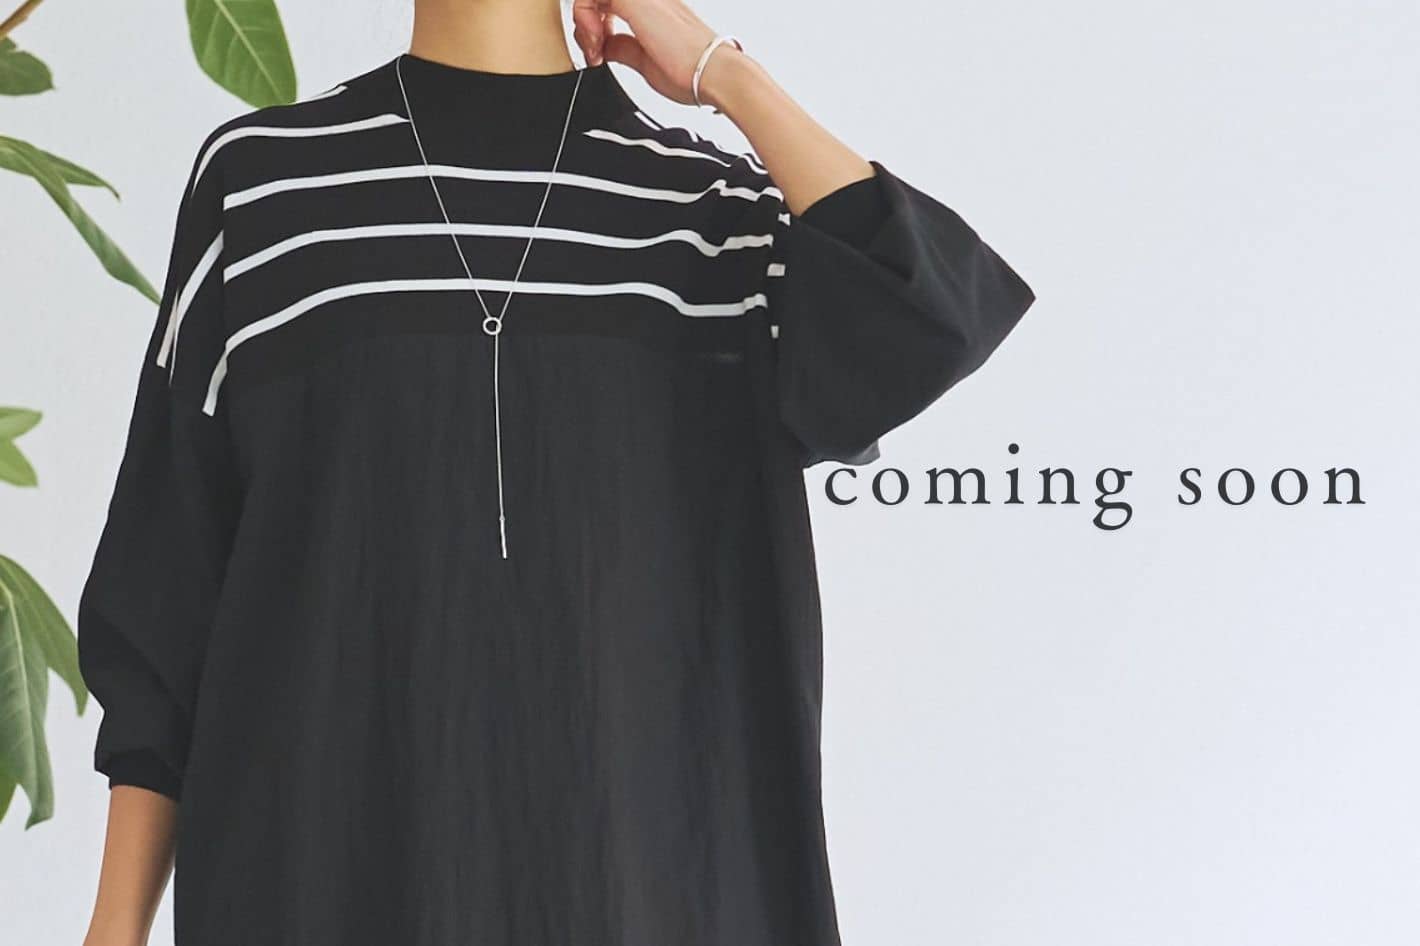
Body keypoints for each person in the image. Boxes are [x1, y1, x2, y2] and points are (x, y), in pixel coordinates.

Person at [78, 1, 1034, 944]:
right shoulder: (263, 183)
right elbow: (164, 587)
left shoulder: (716, 218)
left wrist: (723, 74)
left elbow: (934, 315)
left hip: (656, 891)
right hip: (320, 883)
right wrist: (115, 927)